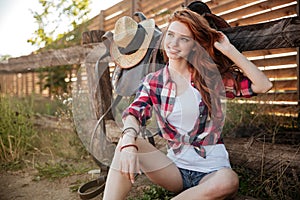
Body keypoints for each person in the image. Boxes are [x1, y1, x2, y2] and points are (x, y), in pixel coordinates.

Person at [103, 8, 272, 200]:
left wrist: (229, 50)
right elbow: (134, 113)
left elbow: (263, 85)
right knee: (128, 143)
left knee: (229, 180)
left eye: (183, 39)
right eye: (171, 35)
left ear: (194, 45)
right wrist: (127, 141)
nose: (174, 44)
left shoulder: (209, 77)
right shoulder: (153, 81)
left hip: (213, 173)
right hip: (175, 171)